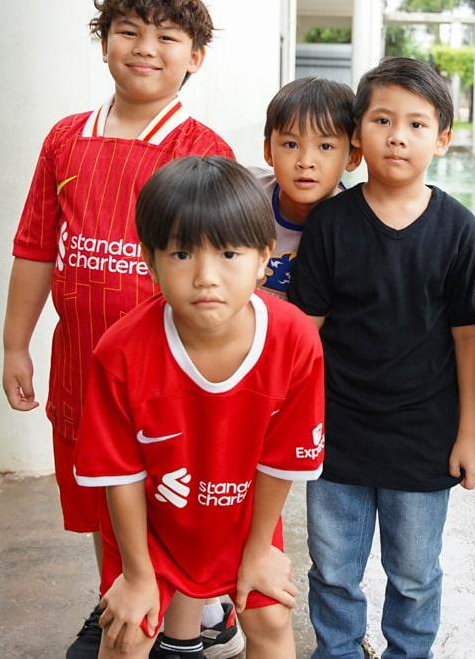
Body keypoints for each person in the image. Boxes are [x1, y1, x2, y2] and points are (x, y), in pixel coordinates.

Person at [0, 0, 237, 657]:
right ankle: (121, 602)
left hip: (170, 372)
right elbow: (35, 246)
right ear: (103, 43)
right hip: (83, 367)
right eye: (128, 32)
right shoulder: (64, 140)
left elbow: (221, 274)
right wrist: (16, 345)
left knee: (178, 499)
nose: (145, 48)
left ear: (195, 57)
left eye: (167, 37)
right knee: (107, 493)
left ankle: (187, 621)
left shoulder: (201, 150)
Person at [74, 156, 326, 659]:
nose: (206, 276)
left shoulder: (294, 339)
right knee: (127, 632)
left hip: (242, 523)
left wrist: (260, 550)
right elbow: (119, 475)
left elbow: (281, 461)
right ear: (150, 261)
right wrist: (137, 575)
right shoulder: (120, 352)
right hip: (149, 531)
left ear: (265, 257)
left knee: (271, 616)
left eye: (229, 253)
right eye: (182, 253)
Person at [289, 57, 475, 659]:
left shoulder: (458, 229)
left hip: (423, 436)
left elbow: (470, 337)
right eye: (382, 120)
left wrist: (471, 433)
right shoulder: (331, 223)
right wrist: (288, 419)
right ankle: (338, 652)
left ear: (443, 139)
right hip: (338, 433)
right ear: (358, 133)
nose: (397, 136)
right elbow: (305, 333)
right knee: (333, 570)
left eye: (416, 124)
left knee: (414, 575)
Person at [253, 76, 361, 300]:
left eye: (326, 146)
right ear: (268, 151)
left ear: (353, 157)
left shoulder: (357, 225)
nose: (306, 162)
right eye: (291, 144)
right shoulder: (246, 196)